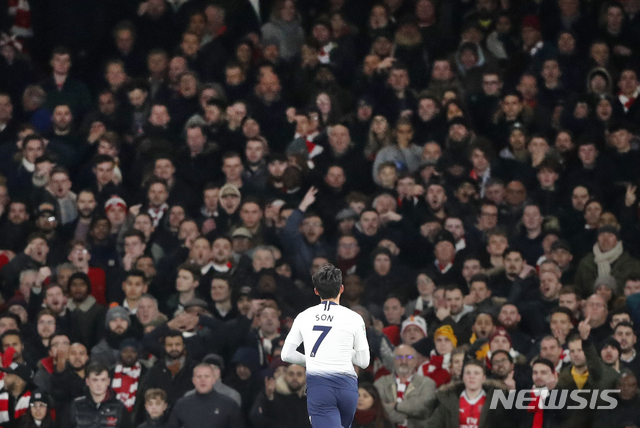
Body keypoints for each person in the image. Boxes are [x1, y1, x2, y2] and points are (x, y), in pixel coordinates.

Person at [282, 263, 370, 428]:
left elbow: (286, 354)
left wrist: (314, 359)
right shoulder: (354, 318)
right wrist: (343, 352)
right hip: (348, 388)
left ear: (316, 291)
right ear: (341, 289)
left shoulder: (304, 316)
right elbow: (364, 361)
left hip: (320, 386)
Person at [166, 363, 244, 428]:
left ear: (214, 380)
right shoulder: (181, 405)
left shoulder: (229, 404)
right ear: (193, 380)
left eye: (207, 376)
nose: (202, 380)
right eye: (199, 376)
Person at [65, 362, 131, 428]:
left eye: (103, 380)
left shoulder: (119, 407)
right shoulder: (75, 406)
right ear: (87, 381)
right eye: (95, 380)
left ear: (108, 382)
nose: (99, 384)